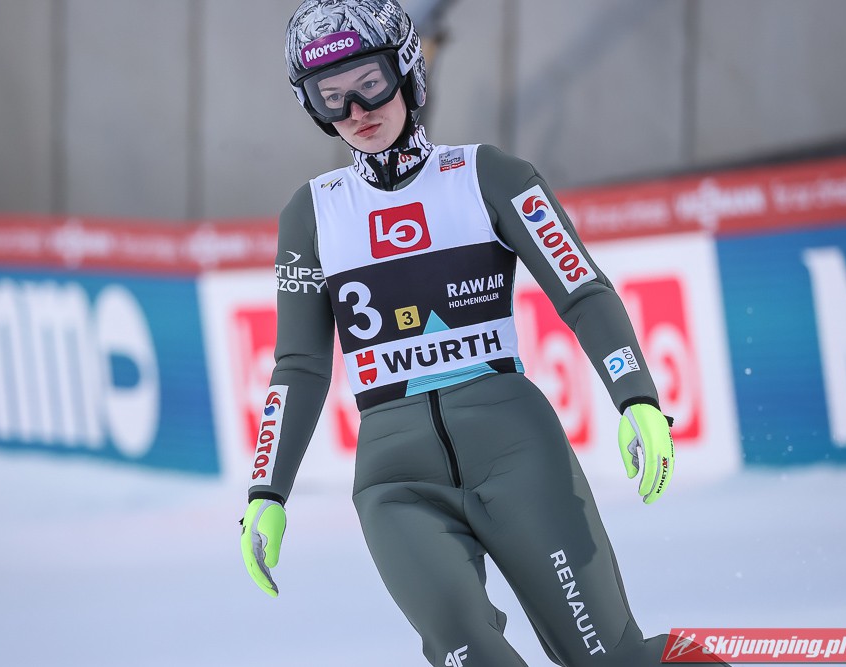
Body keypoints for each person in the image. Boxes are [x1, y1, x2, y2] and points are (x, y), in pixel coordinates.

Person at [240, 2, 729, 665]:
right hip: (395, 481)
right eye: (332, 96)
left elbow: (582, 290)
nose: (356, 110)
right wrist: (267, 491)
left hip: (516, 451)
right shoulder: (311, 214)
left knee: (608, 658)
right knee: (469, 654)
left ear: (406, 72)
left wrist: (635, 395)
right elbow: (299, 365)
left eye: (370, 83)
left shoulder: (489, 176)